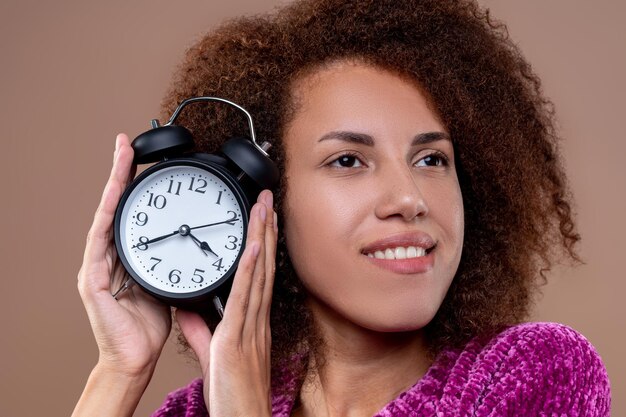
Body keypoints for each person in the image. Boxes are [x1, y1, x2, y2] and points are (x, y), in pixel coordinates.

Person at [73, 0, 611, 416]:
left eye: (430, 158)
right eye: (349, 160)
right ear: (270, 201)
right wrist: (119, 372)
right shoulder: (198, 408)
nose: (409, 199)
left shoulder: (532, 372)